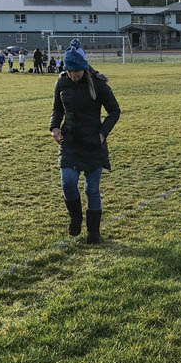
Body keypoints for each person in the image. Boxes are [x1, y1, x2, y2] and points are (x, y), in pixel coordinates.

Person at [50, 39, 120, 244]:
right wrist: (54, 127)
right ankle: (75, 217)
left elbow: (114, 111)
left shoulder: (98, 84)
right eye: (70, 71)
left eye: (77, 72)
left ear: (84, 68)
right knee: (68, 183)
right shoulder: (62, 82)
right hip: (70, 140)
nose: (73, 75)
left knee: (92, 189)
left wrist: (102, 133)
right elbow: (57, 109)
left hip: (92, 143)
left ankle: (93, 232)